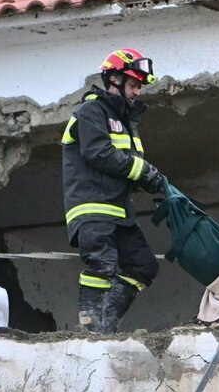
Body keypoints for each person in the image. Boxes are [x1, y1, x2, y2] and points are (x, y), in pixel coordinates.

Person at [61, 49, 168, 334]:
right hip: (93, 209)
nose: (137, 92)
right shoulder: (91, 111)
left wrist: (151, 180)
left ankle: (104, 325)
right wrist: (142, 170)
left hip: (120, 212)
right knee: (101, 265)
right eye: (133, 85)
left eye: (139, 86)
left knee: (144, 266)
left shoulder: (126, 122)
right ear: (114, 79)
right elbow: (99, 153)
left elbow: (127, 166)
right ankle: (91, 328)